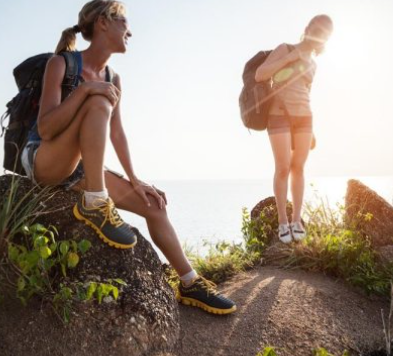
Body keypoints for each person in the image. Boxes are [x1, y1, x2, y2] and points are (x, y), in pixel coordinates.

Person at [20, 0, 236, 315]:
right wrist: (86, 90)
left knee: (153, 205)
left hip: (81, 169)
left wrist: (136, 180)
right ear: (103, 23)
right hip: (46, 160)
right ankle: (96, 203)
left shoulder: (113, 77)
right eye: (124, 21)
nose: (130, 31)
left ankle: (190, 283)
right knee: (98, 101)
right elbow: (46, 127)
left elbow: (117, 134)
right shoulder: (62, 63)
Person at [254, 15, 333, 243]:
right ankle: (282, 222)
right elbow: (261, 74)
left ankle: (297, 220)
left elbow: (305, 92)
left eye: (324, 34)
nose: (318, 35)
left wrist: (312, 131)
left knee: (298, 168)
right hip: (278, 115)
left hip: (304, 118)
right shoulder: (285, 48)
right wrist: (290, 57)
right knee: (282, 168)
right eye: (316, 29)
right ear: (307, 29)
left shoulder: (313, 64)